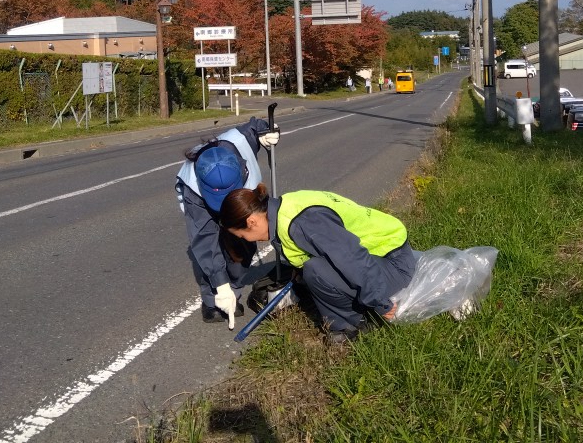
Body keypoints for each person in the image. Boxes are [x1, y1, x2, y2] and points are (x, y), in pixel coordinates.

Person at [219, 185, 416, 345]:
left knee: (316, 271)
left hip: (394, 262)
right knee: (310, 271)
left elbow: (353, 259)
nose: (248, 240)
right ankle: (348, 313)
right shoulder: (283, 208)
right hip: (378, 257)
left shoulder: (302, 222)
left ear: (251, 221)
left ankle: (353, 325)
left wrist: (380, 302)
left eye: (243, 236)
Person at [175, 117, 279, 327]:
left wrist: (268, 132)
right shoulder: (193, 188)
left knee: (242, 245)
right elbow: (204, 239)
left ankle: (235, 292)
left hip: (240, 203)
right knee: (208, 251)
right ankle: (213, 300)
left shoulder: (240, 143)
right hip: (202, 207)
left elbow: (254, 126)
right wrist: (220, 286)